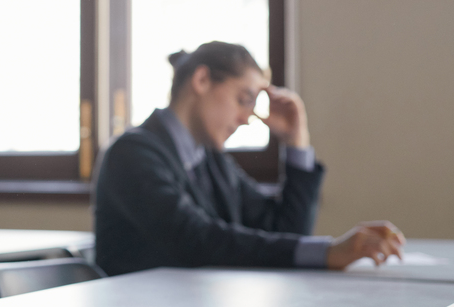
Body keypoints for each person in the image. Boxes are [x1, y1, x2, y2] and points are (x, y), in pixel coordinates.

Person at [94, 41, 405, 276]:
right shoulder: (131, 154)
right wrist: (326, 252)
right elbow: (196, 239)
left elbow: (285, 230)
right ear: (201, 80)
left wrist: (297, 143)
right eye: (244, 100)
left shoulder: (210, 159)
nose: (246, 118)